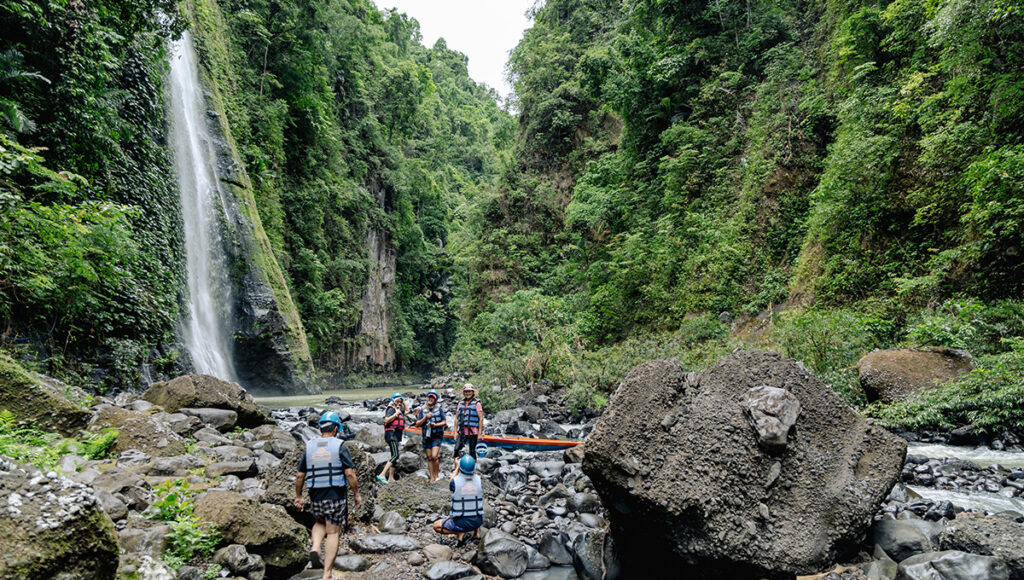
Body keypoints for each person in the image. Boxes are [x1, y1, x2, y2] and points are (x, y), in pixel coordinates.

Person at [295, 411, 362, 580]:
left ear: (320, 428)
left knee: (319, 521)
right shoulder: (340, 445)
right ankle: (327, 574)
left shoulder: (309, 446)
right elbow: (350, 473)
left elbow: (300, 476)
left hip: (315, 493)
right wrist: (356, 494)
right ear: (336, 429)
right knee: (333, 532)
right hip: (335, 494)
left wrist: (299, 496)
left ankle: (315, 547)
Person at [432, 454, 484, 546]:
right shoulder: (478, 480)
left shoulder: (455, 482)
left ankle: (459, 533)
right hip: (477, 521)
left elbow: (451, 480)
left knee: (436, 525)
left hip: (462, 522)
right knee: (472, 503)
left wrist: (456, 467)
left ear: (460, 468)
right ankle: (477, 534)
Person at [414, 390, 446, 482]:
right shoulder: (422, 409)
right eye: (429, 397)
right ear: (427, 398)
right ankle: (432, 477)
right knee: (429, 457)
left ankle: (436, 476)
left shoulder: (439, 409)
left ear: (435, 399)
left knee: (435, 456)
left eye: (433, 398)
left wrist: (435, 425)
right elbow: (417, 424)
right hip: (426, 436)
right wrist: (425, 417)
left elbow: (444, 422)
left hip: (437, 435)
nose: (430, 399)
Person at [376, 393, 408, 484]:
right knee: (395, 455)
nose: (399, 403)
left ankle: (391, 477)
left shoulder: (398, 409)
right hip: (391, 435)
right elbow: (386, 420)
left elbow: (407, 411)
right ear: (393, 401)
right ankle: (382, 474)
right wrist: (396, 414)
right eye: (397, 401)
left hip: (396, 436)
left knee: (395, 456)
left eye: (400, 402)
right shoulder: (391, 409)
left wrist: (403, 402)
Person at [453, 383, 484, 466]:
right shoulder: (460, 403)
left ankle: (472, 469)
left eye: (469, 391)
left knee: (472, 451)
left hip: (473, 431)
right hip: (462, 430)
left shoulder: (477, 403)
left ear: (473, 392)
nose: (467, 393)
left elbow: (481, 419)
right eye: (466, 391)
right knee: (456, 449)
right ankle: (457, 468)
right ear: (463, 392)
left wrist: (480, 434)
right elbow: (456, 418)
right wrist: (455, 432)